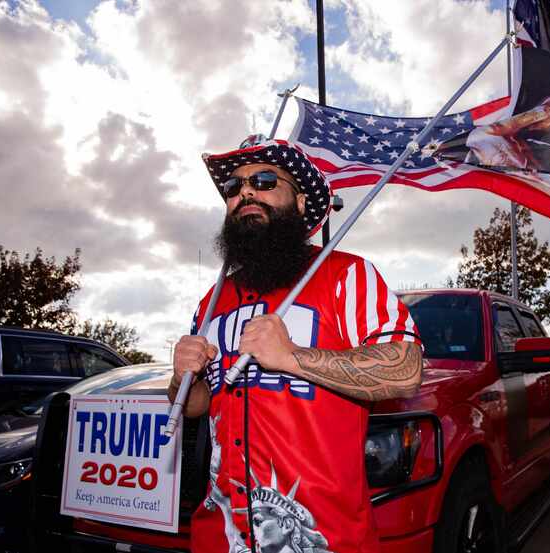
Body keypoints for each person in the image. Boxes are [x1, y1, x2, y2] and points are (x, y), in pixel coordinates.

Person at [167, 134, 423, 553]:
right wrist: (182, 378)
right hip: (219, 537)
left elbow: (407, 369)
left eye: (266, 180)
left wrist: (293, 357)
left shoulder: (348, 275)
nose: (246, 190)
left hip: (321, 538)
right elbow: (195, 404)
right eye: (233, 187)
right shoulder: (211, 300)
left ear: (302, 202)